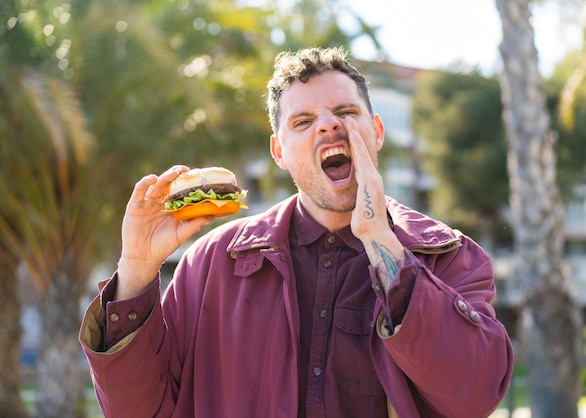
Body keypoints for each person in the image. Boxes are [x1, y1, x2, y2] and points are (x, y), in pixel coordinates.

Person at [79, 47, 514, 418]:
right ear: (279, 151)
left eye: (345, 112)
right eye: (303, 122)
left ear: (376, 132)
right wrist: (135, 269)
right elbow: (140, 410)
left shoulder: (450, 257)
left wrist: (383, 242)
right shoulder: (209, 264)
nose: (328, 125)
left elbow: (473, 395)